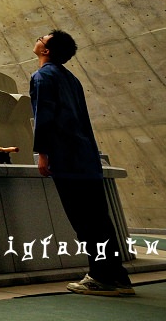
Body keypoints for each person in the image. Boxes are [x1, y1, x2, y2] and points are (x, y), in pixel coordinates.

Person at [30, 30, 135, 296]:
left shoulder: (42, 76)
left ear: (46, 51)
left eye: (41, 38)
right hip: (86, 158)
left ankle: (102, 278)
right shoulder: (71, 78)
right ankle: (116, 276)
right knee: (99, 220)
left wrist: (43, 153)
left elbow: (44, 117)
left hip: (65, 158)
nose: (38, 40)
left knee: (84, 223)